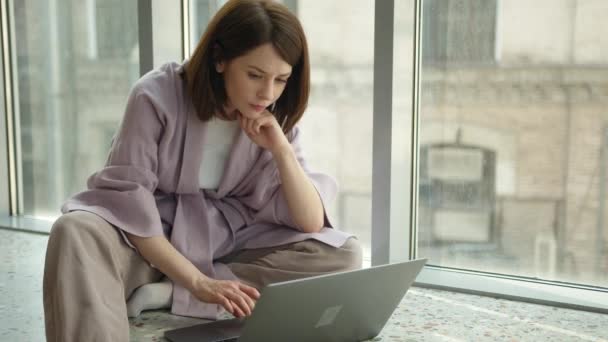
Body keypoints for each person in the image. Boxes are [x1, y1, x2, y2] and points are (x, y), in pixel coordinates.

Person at [42, 0, 362, 341]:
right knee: (75, 230)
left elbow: (310, 221)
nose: (267, 93)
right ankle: (181, 287)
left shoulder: (273, 115)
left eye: (281, 79)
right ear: (219, 59)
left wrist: (281, 148)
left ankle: (169, 293)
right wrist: (196, 281)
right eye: (254, 75)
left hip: (228, 241)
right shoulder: (154, 96)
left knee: (343, 255)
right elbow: (129, 203)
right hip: (152, 245)